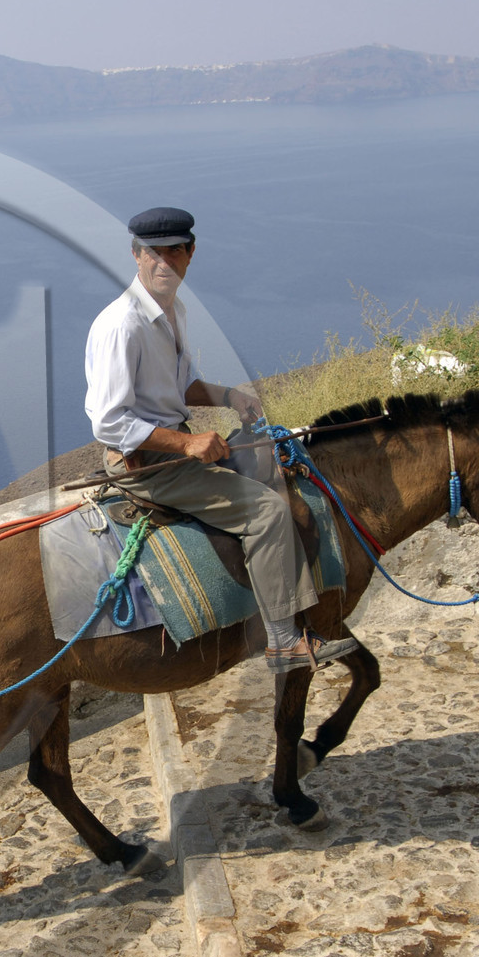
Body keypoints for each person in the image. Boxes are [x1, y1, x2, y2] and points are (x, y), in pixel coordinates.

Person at [84, 206, 355, 673]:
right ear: (135, 256)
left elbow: (179, 384)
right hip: (146, 464)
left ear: (191, 254)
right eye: (153, 253)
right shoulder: (121, 324)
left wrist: (229, 395)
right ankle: (283, 640)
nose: (164, 262)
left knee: (275, 466)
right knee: (267, 511)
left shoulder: (174, 311)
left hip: (169, 449)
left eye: (175, 251)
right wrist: (187, 445)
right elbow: (108, 421)